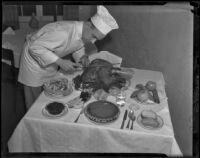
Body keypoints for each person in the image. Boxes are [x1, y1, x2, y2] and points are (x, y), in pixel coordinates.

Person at [18, 5, 119, 111]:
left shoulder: (82, 32)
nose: (93, 41)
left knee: (49, 92)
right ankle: (32, 118)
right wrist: (60, 61)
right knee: (34, 100)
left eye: (96, 39)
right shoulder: (63, 32)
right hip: (33, 60)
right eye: (94, 36)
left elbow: (76, 46)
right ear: (88, 25)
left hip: (49, 57)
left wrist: (82, 56)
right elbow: (35, 47)